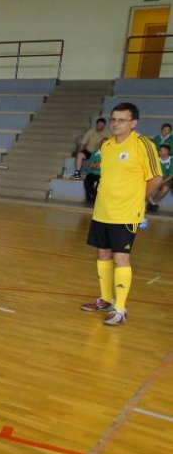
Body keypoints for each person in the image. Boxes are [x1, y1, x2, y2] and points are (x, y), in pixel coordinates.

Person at [81, 102, 161, 326]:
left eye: (121, 120)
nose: (115, 123)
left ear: (133, 122)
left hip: (126, 214)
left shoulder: (143, 144)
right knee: (103, 255)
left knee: (120, 257)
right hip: (102, 211)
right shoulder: (107, 145)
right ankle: (106, 300)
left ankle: (120, 309)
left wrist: (138, 200)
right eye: (113, 119)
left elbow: (156, 178)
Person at [145, 144, 172, 212]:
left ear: (166, 151)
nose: (159, 152)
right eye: (159, 150)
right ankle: (153, 204)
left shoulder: (171, 160)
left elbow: (171, 175)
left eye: (161, 150)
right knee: (144, 186)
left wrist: (162, 182)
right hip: (156, 177)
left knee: (166, 187)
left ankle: (152, 203)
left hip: (166, 178)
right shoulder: (155, 159)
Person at [83, 137, 108, 206]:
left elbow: (109, 166)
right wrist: (99, 165)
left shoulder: (110, 154)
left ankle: (95, 199)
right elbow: (91, 165)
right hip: (93, 173)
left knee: (100, 185)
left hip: (103, 174)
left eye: (105, 143)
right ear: (100, 144)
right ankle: (89, 198)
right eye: (102, 143)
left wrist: (98, 164)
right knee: (87, 180)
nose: (103, 145)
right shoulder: (95, 153)